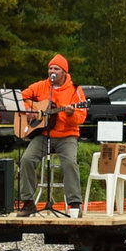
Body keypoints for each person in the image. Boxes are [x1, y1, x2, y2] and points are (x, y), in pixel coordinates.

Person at [16, 56, 89, 213]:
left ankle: (75, 204)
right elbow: (20, 97)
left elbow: (81, 117)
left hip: (67, 135)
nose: (52, 72)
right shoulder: (41, 86)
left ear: (64, 72)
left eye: (56, 69)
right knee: (26, 160)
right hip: (43, 134)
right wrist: (28, 110)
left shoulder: (75, 90)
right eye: (50, 68)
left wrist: (70, 114)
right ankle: (28, 202)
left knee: (70, 163)